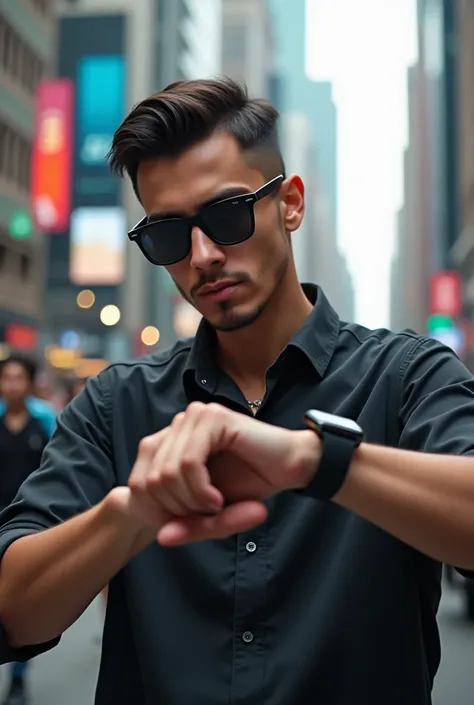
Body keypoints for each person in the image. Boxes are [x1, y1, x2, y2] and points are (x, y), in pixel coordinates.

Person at [0, 77, 473, 705]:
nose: (202, 256)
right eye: (168, 234)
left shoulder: (407, 376)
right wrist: (130, 512)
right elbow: (14, 615)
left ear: (291, 204)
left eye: (226, 215)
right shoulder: (116, 404)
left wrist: (313, 460)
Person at [0, 355, 51, 705]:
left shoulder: (45, 419)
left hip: (28, 525)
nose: (12, 385)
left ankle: (18, 678)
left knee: (18, 603)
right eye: (6, 378)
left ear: (30, 382)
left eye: (19, 378)